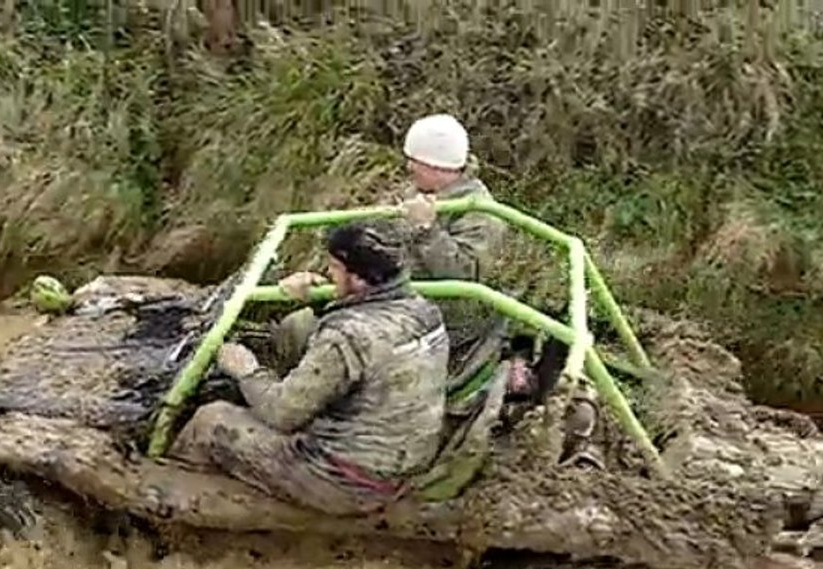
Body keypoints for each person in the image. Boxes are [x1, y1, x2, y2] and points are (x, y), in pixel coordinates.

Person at [279, 114, 604, 468]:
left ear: (438, 166)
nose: (408, 167)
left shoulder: (480, 214)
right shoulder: (418, 195)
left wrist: (427, 231)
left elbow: (466, 279)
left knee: (312, 336)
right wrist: (331, 279)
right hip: (392, 303)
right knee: (297, 327)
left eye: (414, 161)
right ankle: (315, 407)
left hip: (440, 321)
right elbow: (378, 253)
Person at [167, 222, 450, 515]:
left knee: (210, 420)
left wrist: (246, 370)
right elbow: (372, 340)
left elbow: (281, 414)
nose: (328, 273)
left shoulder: (345, 338)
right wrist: (325, 300)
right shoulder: (424, 310)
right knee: (298, 332)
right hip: (399, 467)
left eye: (335, 267)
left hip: (343, 480)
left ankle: (174, 508)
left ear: (358, 278)